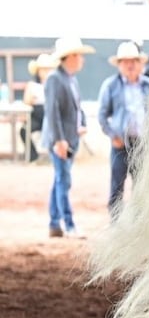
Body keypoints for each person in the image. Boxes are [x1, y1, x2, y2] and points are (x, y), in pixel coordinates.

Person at [42, 36, 93, 239]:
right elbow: (52, 111)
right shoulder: (55, 79)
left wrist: (81, 126)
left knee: (60, 181)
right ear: (71, 56)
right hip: (61, 141)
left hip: (69, 138)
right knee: (64, 181)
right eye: (79, 55)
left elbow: (75, 108)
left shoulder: (69, 78)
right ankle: (68, 224)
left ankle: (54, 223)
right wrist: (59, 140)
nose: (82, 59)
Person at [98, 41, 149, 213]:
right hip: (120, 144)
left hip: (142, 145)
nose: (130, 65)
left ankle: (138, 225)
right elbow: (102, 115)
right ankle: (116, 224)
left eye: (134, 61)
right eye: (125, 61)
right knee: (117, 186)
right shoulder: (111, 86)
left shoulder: (148, 85)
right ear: (119, 65)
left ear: (140, 64)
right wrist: (113, 135)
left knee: (141, 188)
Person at [22, 53, 59, 163]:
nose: (46, 72)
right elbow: (27, 101)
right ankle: (33, 157)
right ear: (38, 71)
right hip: (37, 117)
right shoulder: (32, 85)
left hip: (51, 117)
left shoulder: (56, 84)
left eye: (48, 69)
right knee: (23, 130)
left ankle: (56, 156)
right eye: (43, 69)